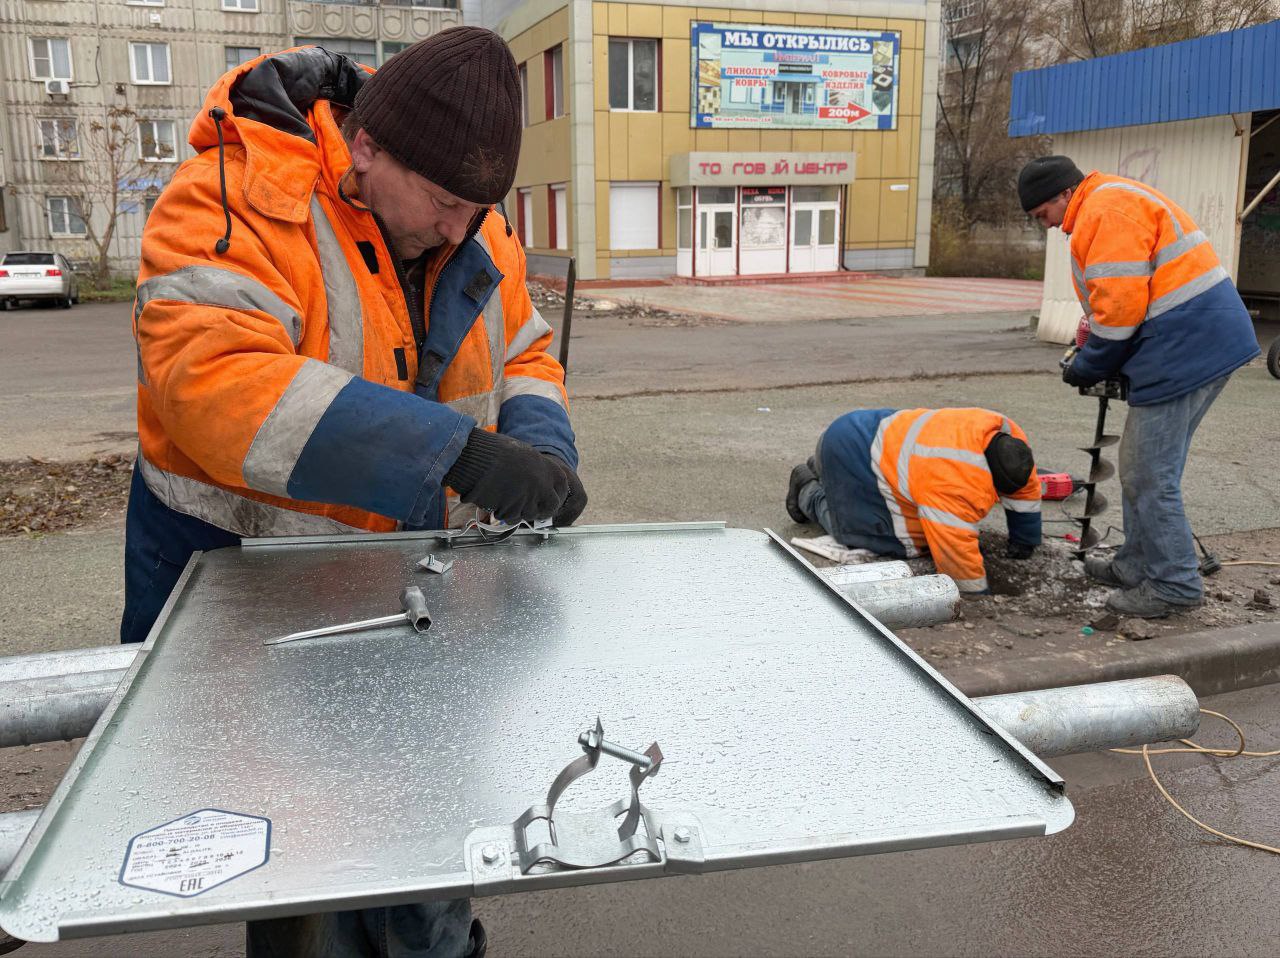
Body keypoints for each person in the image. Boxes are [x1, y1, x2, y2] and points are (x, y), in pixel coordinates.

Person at [122, 28, 587, 956]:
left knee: (432, 821)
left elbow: (524, 344)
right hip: (248, 597)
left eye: (479, 209)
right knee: (299, 848)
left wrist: (538, 441)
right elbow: (212, 378)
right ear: (365, 149)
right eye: (447, 204)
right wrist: (455, 453)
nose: (463, 230)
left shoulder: (467, 208)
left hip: (410, 590)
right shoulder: (237, 195)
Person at [1019, 155, 1259, 618]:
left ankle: (1174, 584)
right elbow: (1125, 299)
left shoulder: (1103, 212)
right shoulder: (1108, 202)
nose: (1046, 226)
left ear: (1062, 195)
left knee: (1149, 472)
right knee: (1141, 467)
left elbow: (1122, 309)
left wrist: (1088, 364)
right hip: (1197, 342)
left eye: (1041, 215)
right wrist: (1098, 346)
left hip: (1188, 350)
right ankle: (1136, 564)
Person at [786, 408, 1041, 594]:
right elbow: (953, 553)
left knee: (912, 519)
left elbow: (1026, 491)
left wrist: (1025, 540)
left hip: (857, 431)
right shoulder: (953, 479)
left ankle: (827, 472)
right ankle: (808, 489)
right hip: (851, 452)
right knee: (882, 539)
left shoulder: (1007, 438)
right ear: (988, 478)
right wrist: (977, 594)